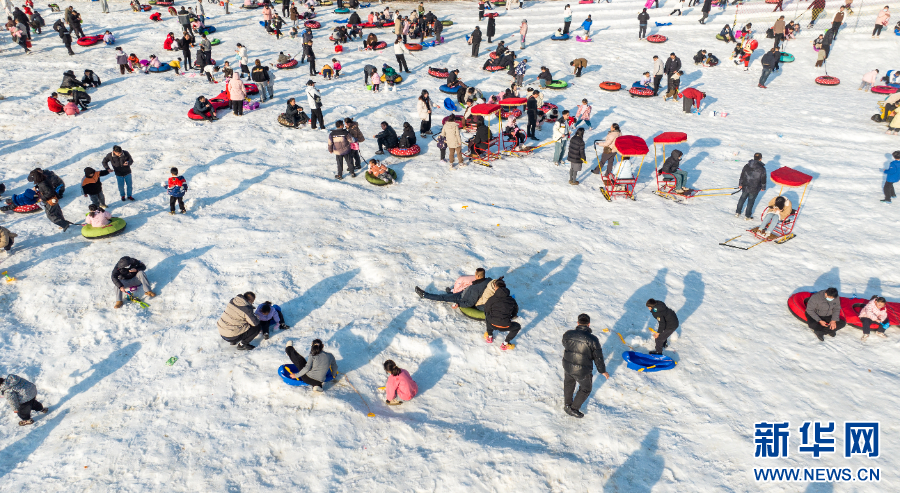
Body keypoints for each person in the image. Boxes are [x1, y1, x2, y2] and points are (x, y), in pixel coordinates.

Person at [561, 314, 608, 419]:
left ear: (577, 323)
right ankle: (573, 408)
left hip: (568, 365)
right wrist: (602, 371)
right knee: (586, 388)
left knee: (569, 384)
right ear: (589, 324)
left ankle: (567, 404)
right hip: (582, 370)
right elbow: (598, 357)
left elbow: (565, 344)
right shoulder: (593, 339)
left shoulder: (568, 334)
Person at [482, 277, 519, 350]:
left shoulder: (492, 299)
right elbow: (515, 310)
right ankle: (505, 343)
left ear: (496, 288)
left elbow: (486, 309)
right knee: (517, 327)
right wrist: (512, 316)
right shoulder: (512, 300)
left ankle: (489, 336)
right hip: (505, 325)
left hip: (492, 323)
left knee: (488, 316)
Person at [735, 153, 767, 219]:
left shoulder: (747, 165)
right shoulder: (762, 169)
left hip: (745, 186)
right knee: (751, 201)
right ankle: (747, 216)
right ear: (760, 159)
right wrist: (763, 187)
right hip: (754, 188)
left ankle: (737, 212)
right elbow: (763, 178)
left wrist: (740, 184)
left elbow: (742, 175)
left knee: (742, 199)